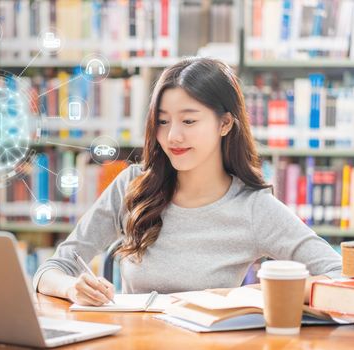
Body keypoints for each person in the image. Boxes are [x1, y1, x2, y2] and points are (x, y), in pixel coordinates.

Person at [33, 57, 343, 306]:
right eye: (163, 121)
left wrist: (265, 293)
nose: (172, 136)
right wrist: (73, 288)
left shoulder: (254, 208)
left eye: (189, 121)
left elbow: (338, 275)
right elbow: (51, 270)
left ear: (224, 123)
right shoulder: (132, 184)